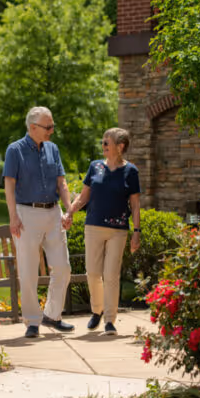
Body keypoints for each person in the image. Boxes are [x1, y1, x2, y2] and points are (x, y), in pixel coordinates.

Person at [3, 106, 74, 338]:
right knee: (28, 271)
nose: (52, 131)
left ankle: (52, 315)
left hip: (53, 213)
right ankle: (32, 321)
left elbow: (62, 183)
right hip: (26, 214)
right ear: (33, 127)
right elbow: (9, 185)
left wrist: (68, 209)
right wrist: (13, 216)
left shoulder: (53, 149)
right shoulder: (15, 150)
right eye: (48, 127)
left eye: (52, 126)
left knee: (63, 267)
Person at [63, 128, 141, 336]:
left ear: (120, 146)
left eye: (107, 142)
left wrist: (137, 231)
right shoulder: (95, 167)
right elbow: (83, 197)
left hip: (118, 230)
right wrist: (69, 211)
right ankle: (97, 310)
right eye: (103, 142)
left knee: (111, 275)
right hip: (94, 226)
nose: (104, 145)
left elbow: (134, 204)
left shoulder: (131, 171)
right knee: (93, 273)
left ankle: (109, 320)